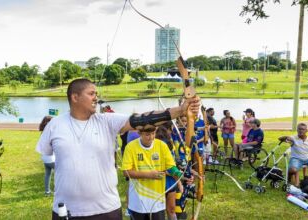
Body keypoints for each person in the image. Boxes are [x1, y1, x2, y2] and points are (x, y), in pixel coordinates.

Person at [35, 78, 200, 219]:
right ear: (75, 97)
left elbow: (142, 120)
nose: (96, 97)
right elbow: (47, 154)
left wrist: (180, 110)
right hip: (66, 210)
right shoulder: (55, 125)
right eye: (91, 93)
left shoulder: (107, 121)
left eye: (96, 94)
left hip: (106, 209)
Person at [122, 127, 186, 220]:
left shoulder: (162, 145)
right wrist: (149, 175)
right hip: (137, 202)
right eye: (147, 135)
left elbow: (170, 166)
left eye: (153, 133)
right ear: (140, 133)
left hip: (157, 201)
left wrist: (177, 173)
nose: (151, 137)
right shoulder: (131, 147)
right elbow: (126, 172)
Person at [155, 123, 184, 220]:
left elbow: (173, 167)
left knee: (171, 209)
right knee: (158, 212)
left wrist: (179, 183)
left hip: (170, 182)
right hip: (156, 183)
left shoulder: (168, 145)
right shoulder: (153, 150)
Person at [38, 116, 55, 196]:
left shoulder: (43, 133)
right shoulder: (51, 133)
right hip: (52, 159)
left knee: (47, 174)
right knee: (59, 174)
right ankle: (57, 191)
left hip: (45, 158)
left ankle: (47, 191)